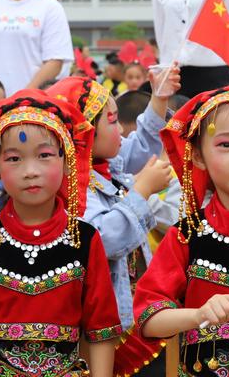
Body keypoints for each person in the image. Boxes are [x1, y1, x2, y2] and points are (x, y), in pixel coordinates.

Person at [0, 89, 122, 377]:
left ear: (67, 160)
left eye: (44, 155)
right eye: (14, 159)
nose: (30, 171)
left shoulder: (85, 239)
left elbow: (100, 327)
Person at [134, 85, 229, 375]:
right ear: (198, 156)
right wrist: (198, 315)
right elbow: (148, 319)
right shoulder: (186, 234)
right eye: (226, 145)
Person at [46, 75, 177, 375]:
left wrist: (158, 98)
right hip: (100, 323)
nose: (120, 130)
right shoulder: (71, 184)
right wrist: (141, 191)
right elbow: (103, 240)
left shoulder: (101, 166)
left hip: (128, 312)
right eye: (112, 121)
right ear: (85, 131)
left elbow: (140, 147)